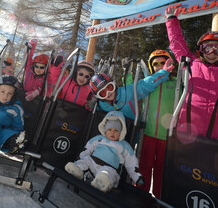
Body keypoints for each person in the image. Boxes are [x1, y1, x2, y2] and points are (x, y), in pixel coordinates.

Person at [165, 7, 218, 141]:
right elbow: (177, 45)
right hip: (189, 130)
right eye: (208, 48)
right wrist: (172, 22)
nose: (212, 54)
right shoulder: (192, 63)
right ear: (200, 50)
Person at [65, 111, 144, 193]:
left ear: (121, 133)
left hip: (109, 168)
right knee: (86, 160)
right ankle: (78, 170)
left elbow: (131, 163)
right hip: (93, 163)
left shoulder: (124, 146)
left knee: (108, 173)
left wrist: (137, 178)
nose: (112, 132)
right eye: (110, 129)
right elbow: (88, 148)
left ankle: (102, 182)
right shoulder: (99, 138)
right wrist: (81, 157)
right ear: (105, 130)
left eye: (116, 130)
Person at [139, 50, 177, 199]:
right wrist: (128, 74)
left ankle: (159, 196)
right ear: (151, 66)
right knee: (145, 165)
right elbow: (132, 86)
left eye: (163, 62)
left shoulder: (175, 83)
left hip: (166, 134)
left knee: (162, 168)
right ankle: (141, 194)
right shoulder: (149, 82)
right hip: (148, 132)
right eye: (156, 64)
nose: (160, 66)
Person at [89, 58, 175, 120]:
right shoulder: (100, 105)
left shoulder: (125, 92)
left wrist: (164, 72)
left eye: (109, 87)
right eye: (103, 93)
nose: (108, 93)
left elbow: (145, 84)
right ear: (99, 97)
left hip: (131, 129)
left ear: (114, 84)